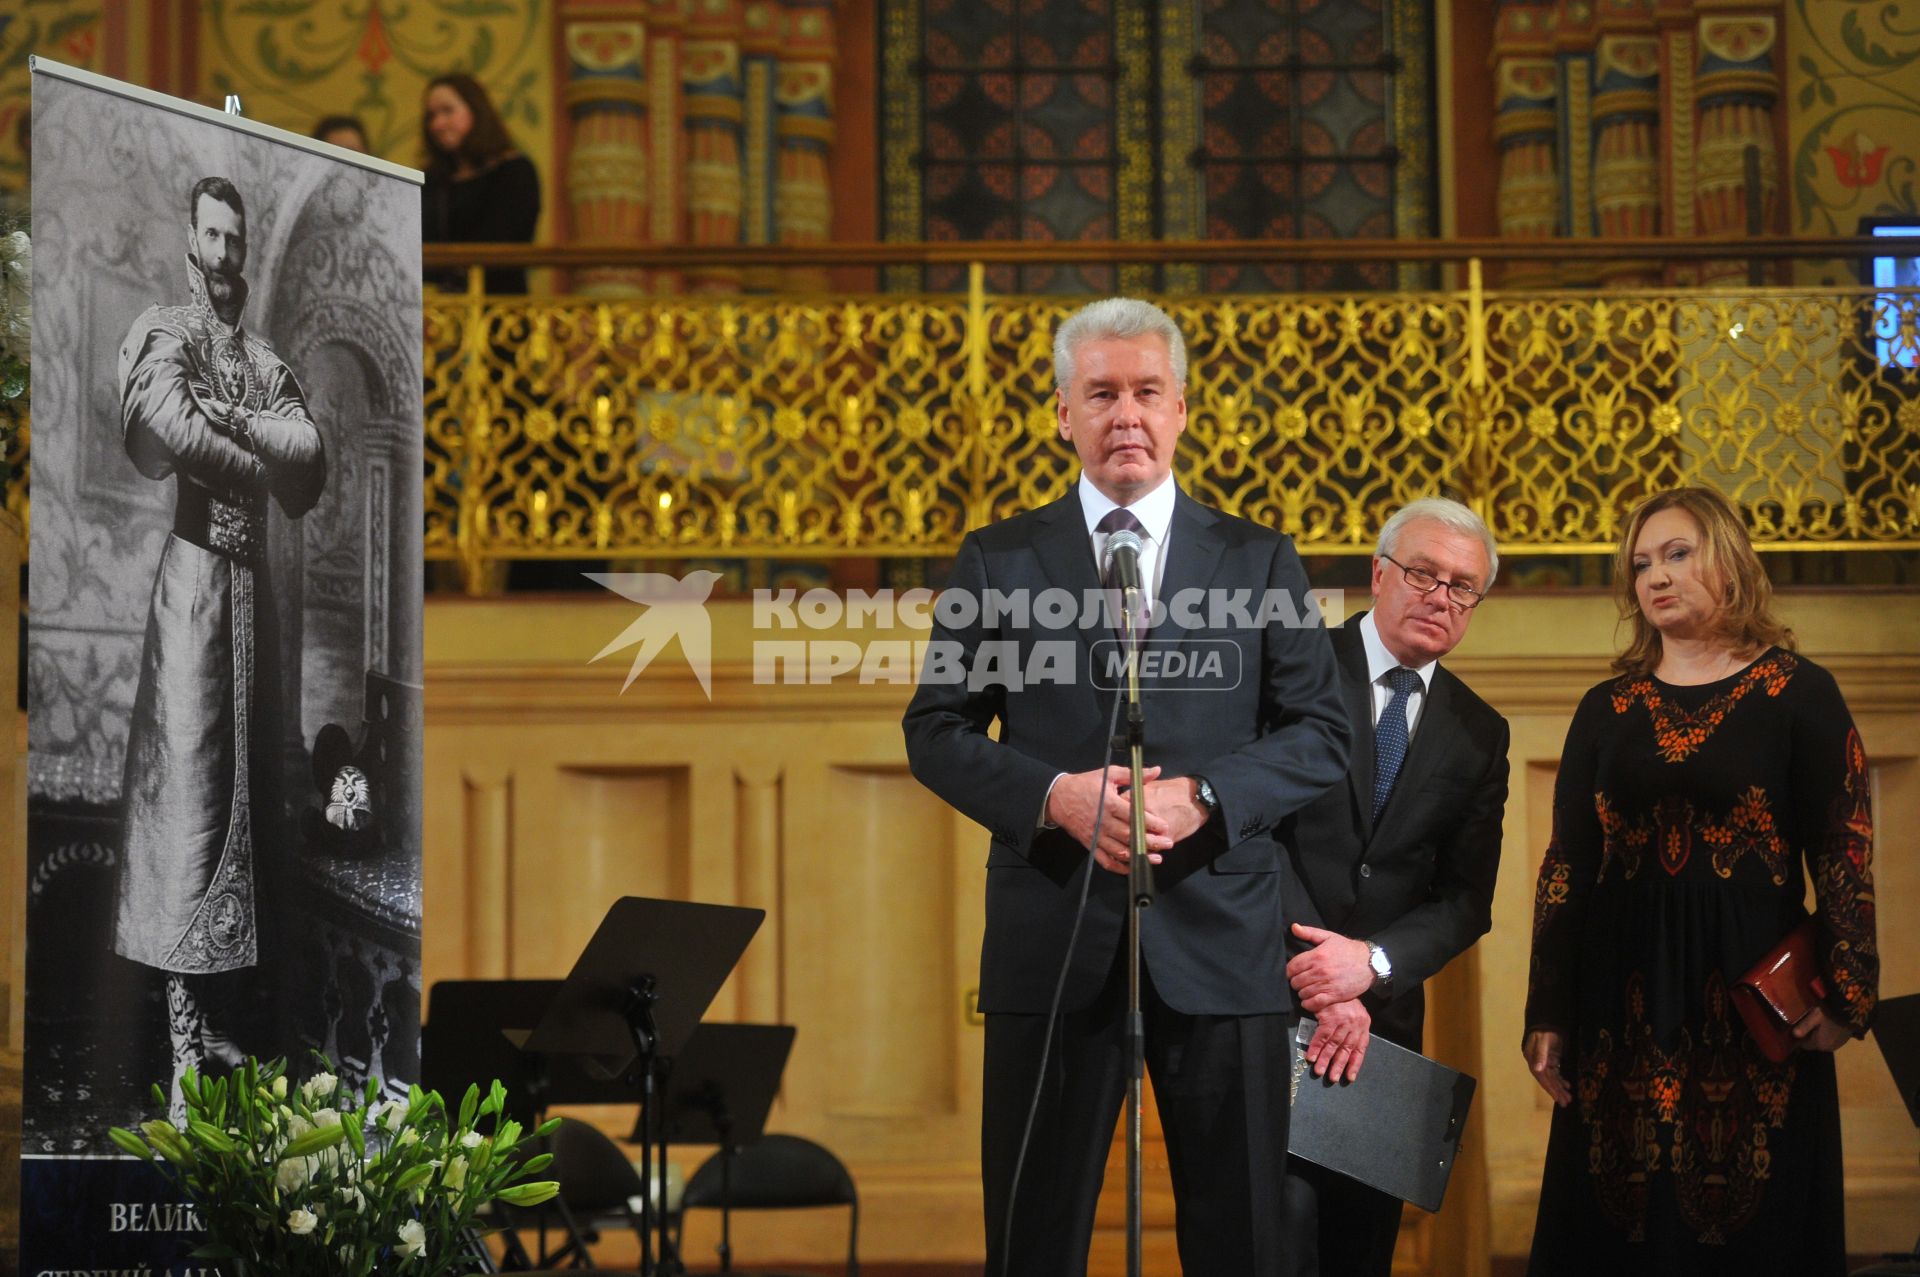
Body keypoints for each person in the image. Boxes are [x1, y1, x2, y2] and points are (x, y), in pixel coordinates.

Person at [902, 297, 1350, 1276]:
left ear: (1183, 407)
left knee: (1245, 1242)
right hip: (1054, 938)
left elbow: (1322, 733)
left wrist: (1211, 796)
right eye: (1101, 393)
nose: (1126, 414)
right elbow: (933, 729)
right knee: (1035, 1239)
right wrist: (1052, 794)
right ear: (1063, 412)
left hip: (1224, 944)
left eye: (1147, 391)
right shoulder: (1001, 556)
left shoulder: (1258, 556)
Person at [1522, 486, 1876, 1275]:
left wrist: (1848, 992)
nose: (1656, 576)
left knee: (1755, 1227)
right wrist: (1548, 1008)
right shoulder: (1605, 708)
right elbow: (1565, 868)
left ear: (1729, 559)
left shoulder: (1799, 692)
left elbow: (1844, 846)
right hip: (1620, 1004)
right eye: (1642, 563)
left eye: (1677, 553)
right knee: (1622, 1223)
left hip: (1749, 1004)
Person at [112, 176, 327, 1118]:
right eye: (214, 236)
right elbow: (167, 428)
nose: (229, 254)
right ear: (190, 240)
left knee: (249, 811)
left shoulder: (264, 360)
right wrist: (252, 452)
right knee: (188, 810)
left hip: (254, 605)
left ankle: (222, 1023)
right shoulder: (165, 330)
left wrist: (236, 422)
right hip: (196, 590)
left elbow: (309, 459)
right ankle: (182, 1047)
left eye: (238, 238)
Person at [1277, 497, 1510, 1277]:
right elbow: (1245, 834)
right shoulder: (1296, 669)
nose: (1441, 596)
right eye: (1423, 573)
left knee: (1358, 1252)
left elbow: (1466, 897)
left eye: (1463, 586)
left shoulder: (1479, 732)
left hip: (1378, 1035)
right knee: (1274, 1240)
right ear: (1379, 573)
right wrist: (1325, 973)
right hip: (1265, 1003)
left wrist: (1369, 965)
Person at [420, 73, 539, 294]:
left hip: (501, 309)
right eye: (431, 116)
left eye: (447, 111)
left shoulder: (515, 171)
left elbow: (502, 242)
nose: (437, 124)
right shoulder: (433, 181)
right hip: (446, 312)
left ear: (476, 110)